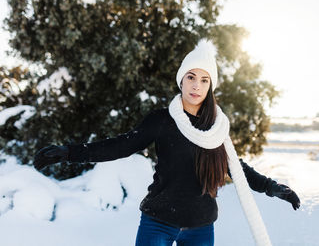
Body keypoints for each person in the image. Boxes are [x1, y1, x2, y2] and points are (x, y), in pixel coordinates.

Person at [33, 39, 300, 246]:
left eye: (204, 80)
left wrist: (272, 187)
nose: (196, 85)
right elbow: (120, 146)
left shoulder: (217, 128)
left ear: (210, 86)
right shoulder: (161, 120)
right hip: (158, 222)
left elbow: (236, 168)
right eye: (191, 77)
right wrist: (69, 152)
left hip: (201, 226)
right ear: (181, 80)